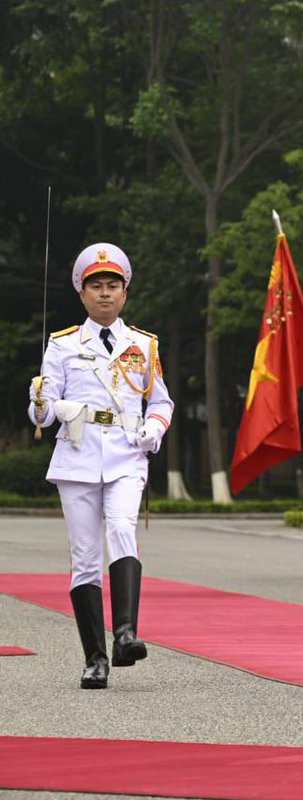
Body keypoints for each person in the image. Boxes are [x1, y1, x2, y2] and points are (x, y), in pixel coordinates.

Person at [28, 243, 174, 689]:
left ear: (125, 292)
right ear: (82, 293)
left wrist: (154, 428)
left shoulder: (143, 344)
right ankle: (95, 657)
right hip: (77, 457)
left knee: (122, 528)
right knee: (86, 558)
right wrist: (40, 404)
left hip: (127, 454)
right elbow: (43, 412)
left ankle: (126, 633)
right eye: (96, 286)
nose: (105, 294)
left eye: (113, 285)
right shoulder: (63, 344)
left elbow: (161, 400)